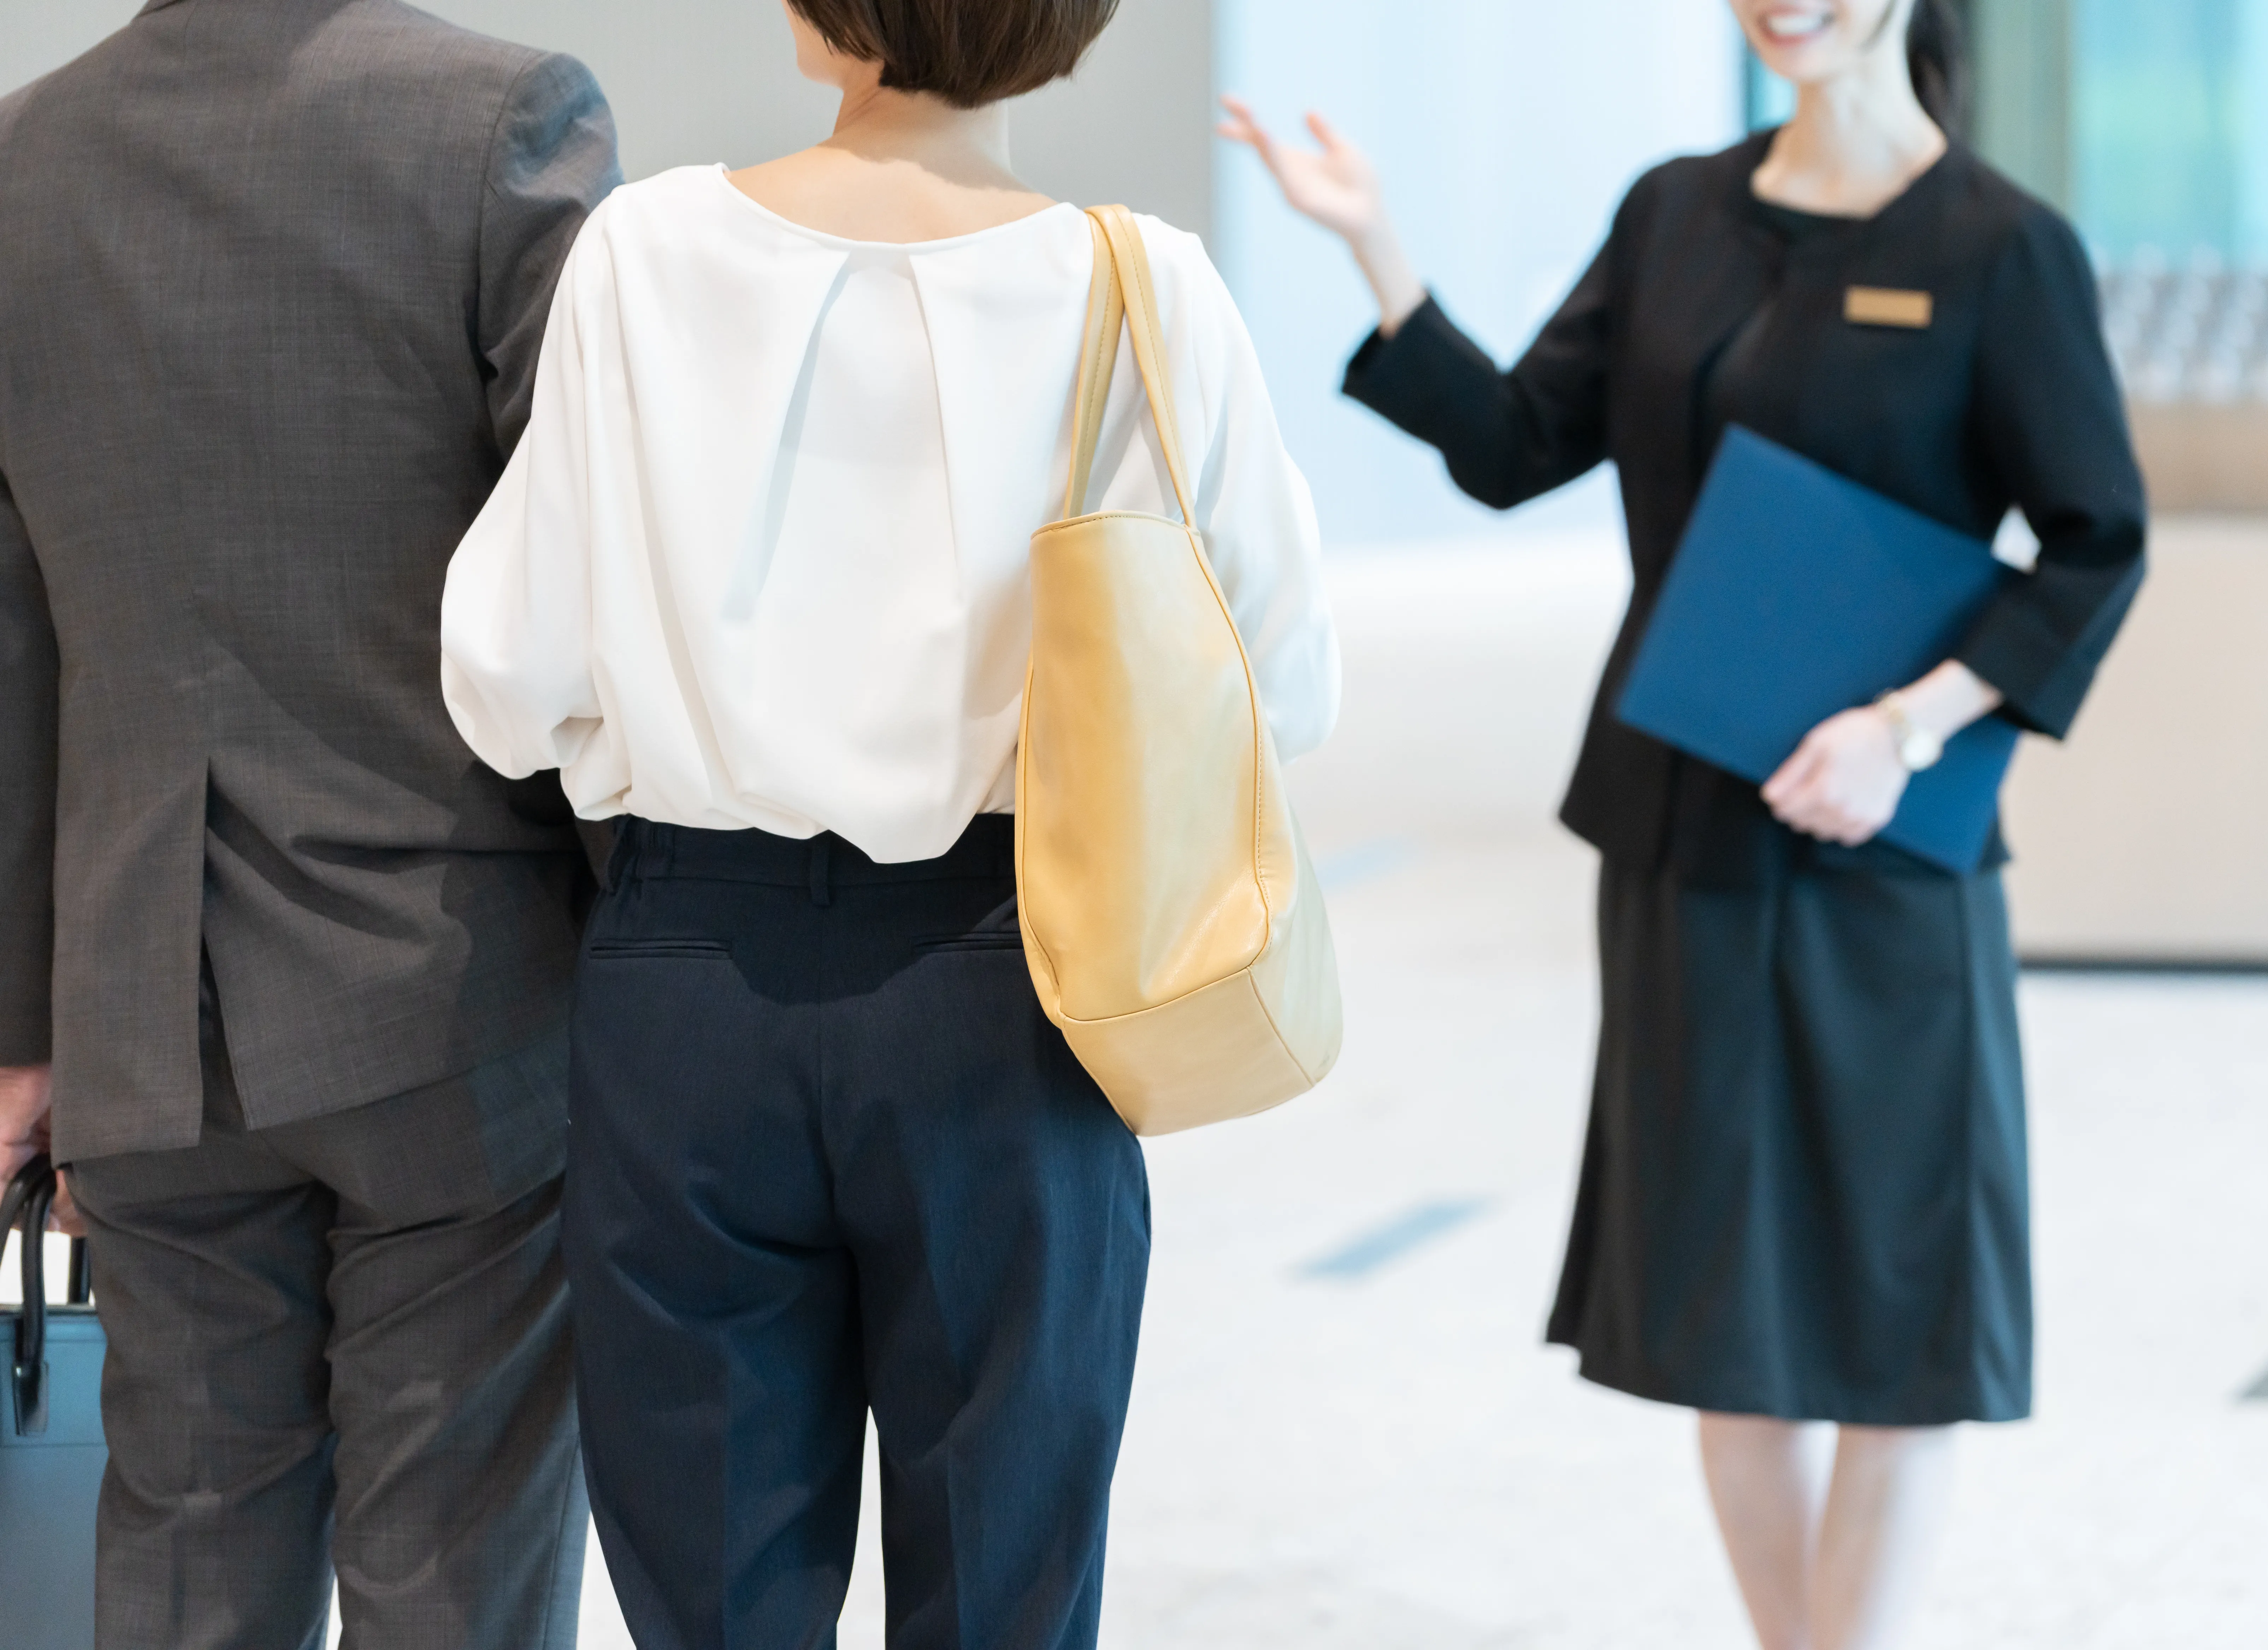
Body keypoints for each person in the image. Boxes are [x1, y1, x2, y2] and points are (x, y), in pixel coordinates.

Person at [1223, 1, 2145, 1645]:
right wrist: (1380, 255)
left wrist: (1905, 727)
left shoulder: (2006, 251)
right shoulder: (1675, 213)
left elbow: (2096, 543)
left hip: (1887, 851)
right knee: (1732, 1304)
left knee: (1890, 1302)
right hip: (1686, 840)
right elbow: (1515, 449)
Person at [438, 1, 1340, 1644]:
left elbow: (509, 671)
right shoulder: (1147, 289)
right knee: (1009, 1591)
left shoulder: (643, 256)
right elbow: (1281, 682)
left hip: (687, 980)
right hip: (1018, 987)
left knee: (713, 1602)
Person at [0, 2, 619, 1645]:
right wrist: (656, 962)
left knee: (188, 1564)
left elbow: (6, 637)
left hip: (140, 1016)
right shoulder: (506, 123)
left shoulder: (21, 159)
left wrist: (20, 1030)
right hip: (455, 1000)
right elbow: (591, 591)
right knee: (456, 1579)